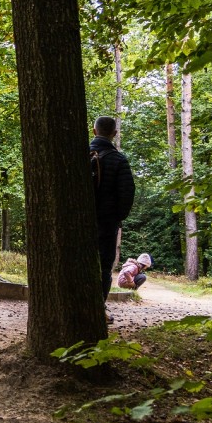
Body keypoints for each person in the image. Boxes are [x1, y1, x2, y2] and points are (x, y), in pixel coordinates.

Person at [90, 116, 135, 315]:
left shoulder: (77, 154)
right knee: (104, 265)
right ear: (114, 134)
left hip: (78, 222)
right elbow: (127, 192)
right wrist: (118, 217)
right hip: (107, 222)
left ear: (94, 131)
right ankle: (98, 307)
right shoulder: (118, 159)